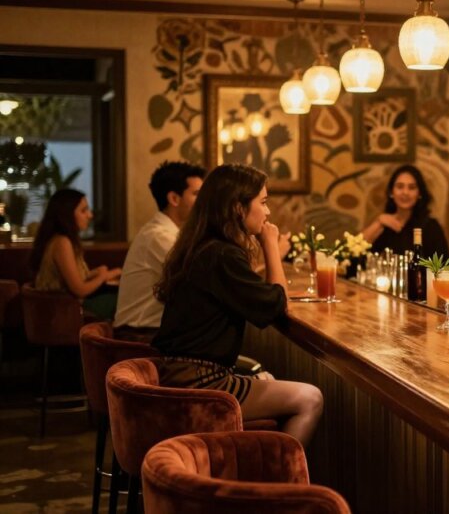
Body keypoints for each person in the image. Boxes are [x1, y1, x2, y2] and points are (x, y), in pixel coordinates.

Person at [153, 164, 322, 446]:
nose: (268, 212)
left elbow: (259, 296)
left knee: (269, 379)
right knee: (310, 399)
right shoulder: (222, 254)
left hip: (178, 375)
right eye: (263, 202)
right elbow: (276, 305)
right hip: (202, 385)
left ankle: (254, 470)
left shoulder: (203, 246)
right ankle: (275, 485)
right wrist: (270, 246)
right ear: (237, 207)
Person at [113, 161, 205, 343]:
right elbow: (202, 277)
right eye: (196, 194)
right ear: (174, 199)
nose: (203, 202)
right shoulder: (159, 236)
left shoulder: (173, 234)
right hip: (139, 336)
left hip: (155, 332)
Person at [30, 189, 121, 320]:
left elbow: (71, 279)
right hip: (67, 311)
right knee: (126, 300)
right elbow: (79, 289)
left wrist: (102, 272)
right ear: (66, 214)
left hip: (68, 307)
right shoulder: (62, 242)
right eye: (83, 210)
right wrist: (103, 276)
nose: (90, 215)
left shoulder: (60, 240)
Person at [362, 164, 449, 257]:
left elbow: (443, 267)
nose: (405, 192)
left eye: (411, 188)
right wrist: (378, 222)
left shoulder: (431, 227)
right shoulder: (385, 224)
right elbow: (354, 252)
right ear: (391, 192)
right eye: (400, 187)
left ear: (419, 194)